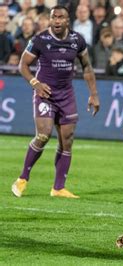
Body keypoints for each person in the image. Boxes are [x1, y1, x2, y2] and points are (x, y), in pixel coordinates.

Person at [11, 5, 100, 199]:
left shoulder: (77, 40)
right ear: (50, 20)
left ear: (68, 20)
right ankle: (22, 178)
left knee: (67, 140)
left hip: (66, 95)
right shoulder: (39, 40)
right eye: (54, 17)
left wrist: (93, 94)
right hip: (45, 94)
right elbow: (23, 65)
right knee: (43, 135)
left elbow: (87, 67)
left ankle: (58, 188)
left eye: (61, 17)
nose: (57, 21)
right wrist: (35, 83)